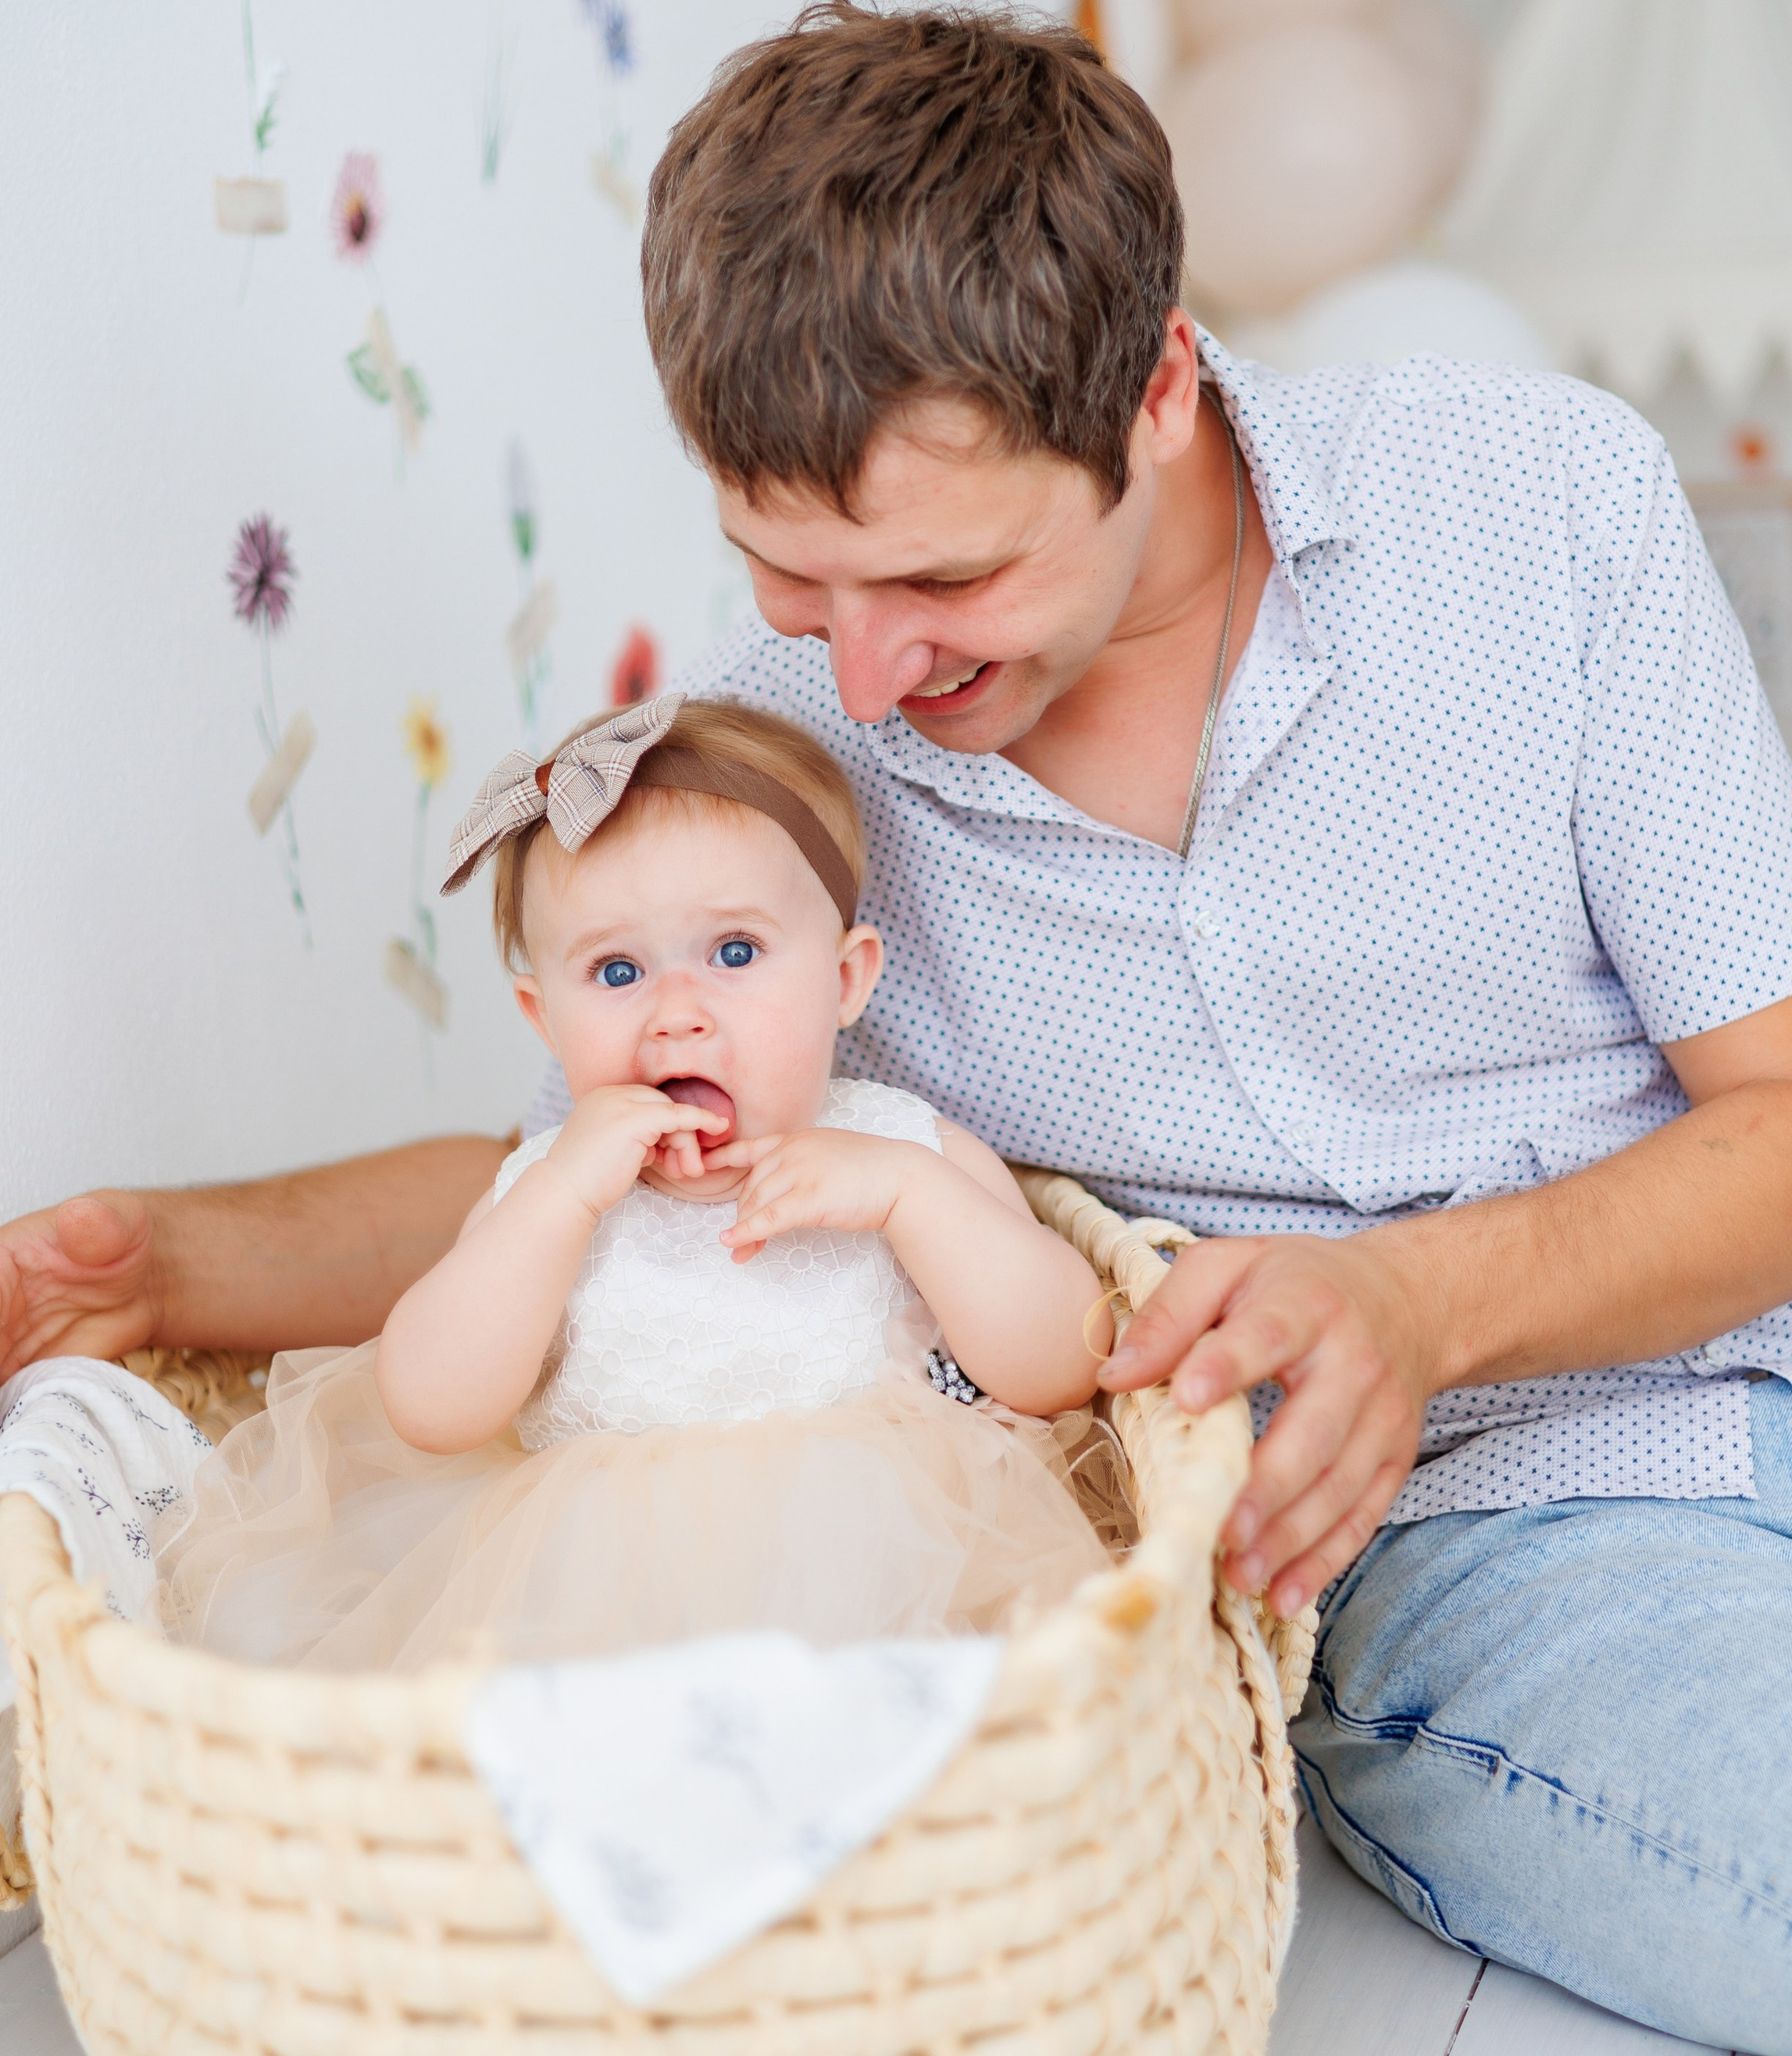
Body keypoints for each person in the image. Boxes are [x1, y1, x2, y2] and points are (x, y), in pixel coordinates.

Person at [8, 0, 1792, 2056]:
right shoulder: (793, 767)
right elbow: (589, 1177)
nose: (867, 671)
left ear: (1153, 391)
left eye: (948, 575)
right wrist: (172, 1256)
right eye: (793, 574)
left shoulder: (1542, 510)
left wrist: (1416, 1302)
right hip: (1492, 1548)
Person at [157, 693, 1109, 1671]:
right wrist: (559, 1203)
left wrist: (912, 1197)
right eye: (616, 973)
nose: (677, 1014)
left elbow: (1062, 1363)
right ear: (543, 1017)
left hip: (885, 1583)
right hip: (594, 1610)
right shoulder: (548, 1191)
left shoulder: (904, 1150)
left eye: (734, 953)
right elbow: (430, 1411)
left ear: (845, 979)